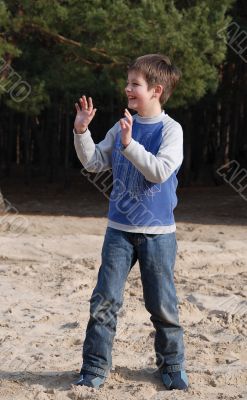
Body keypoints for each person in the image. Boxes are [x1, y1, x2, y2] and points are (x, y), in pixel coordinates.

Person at [72, 54, 189, 391]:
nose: (127, 89)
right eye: (128, 83)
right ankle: (94, 368)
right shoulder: (122, 125)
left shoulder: (172, 130)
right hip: (119, 232)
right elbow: (94, 162)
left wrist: (130, 144)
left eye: (134, 84)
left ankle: (172, 367)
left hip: (158, 235)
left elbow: (159, 171)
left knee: (163, 307)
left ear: (156, 89)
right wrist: (82, 132)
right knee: (104, 302)